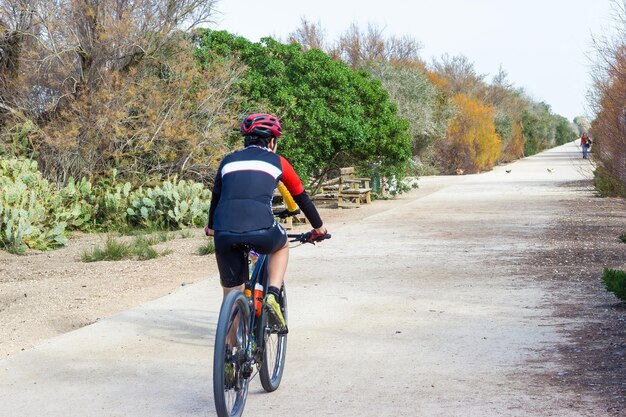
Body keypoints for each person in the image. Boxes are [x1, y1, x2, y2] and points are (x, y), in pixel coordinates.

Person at [205, 113, 327, 333]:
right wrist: (319, 228)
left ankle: (230, 361)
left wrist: (211, 227)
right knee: (281, 245)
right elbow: (301, 197)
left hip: (224, 232)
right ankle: (272, 294)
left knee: (231, 292)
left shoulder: (228, 161)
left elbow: (216, 196)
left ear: (246, 140)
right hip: (261, 229)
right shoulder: (278, 161)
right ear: (272, 141)